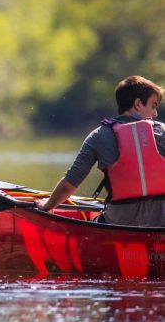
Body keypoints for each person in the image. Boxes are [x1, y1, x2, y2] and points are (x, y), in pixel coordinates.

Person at [36, 75, 165, 226]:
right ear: (137, 104)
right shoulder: (162, 131)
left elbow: (68, 185)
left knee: (95, 222)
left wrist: (46, 206)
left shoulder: (99, 135)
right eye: (153, 105)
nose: (155, 114)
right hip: (161, 222)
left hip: (119, 222)